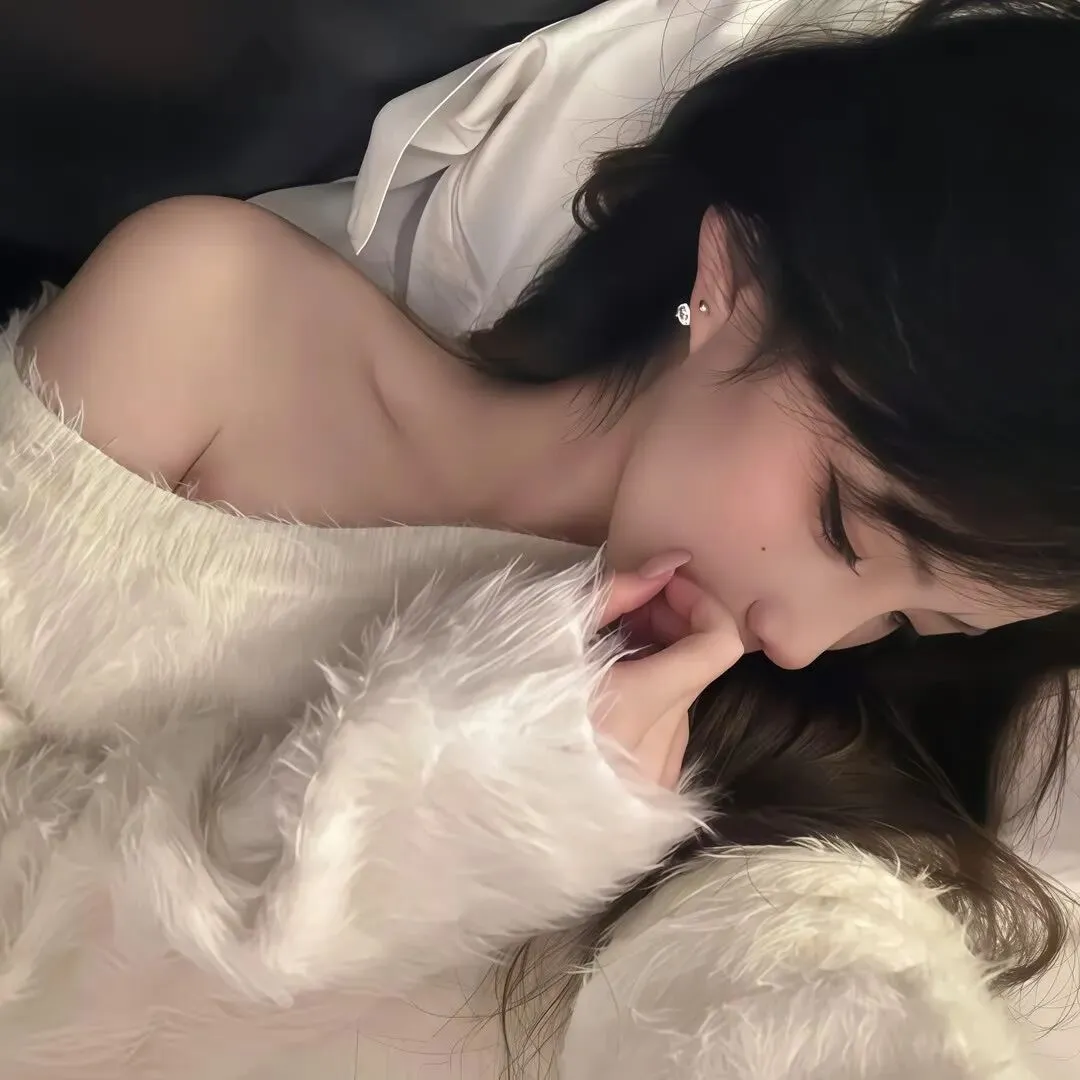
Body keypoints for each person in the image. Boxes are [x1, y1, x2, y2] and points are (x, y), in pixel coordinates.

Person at [0, 0, 1077, 1077]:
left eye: (917, 621)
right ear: (733, 284)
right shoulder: (214, 321)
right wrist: (448, 815)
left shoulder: (791, 766)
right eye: (842, 525)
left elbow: (801, 981)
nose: (800, 644)